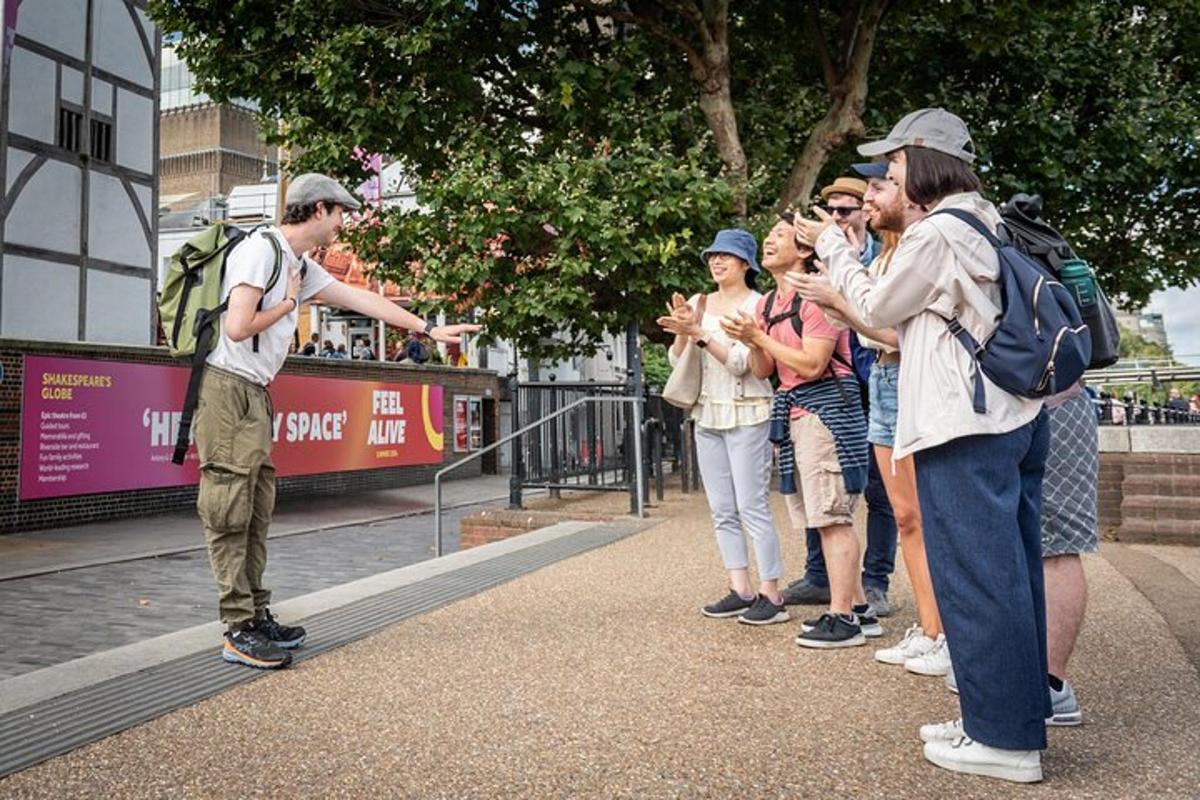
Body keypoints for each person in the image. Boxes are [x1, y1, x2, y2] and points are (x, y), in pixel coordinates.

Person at [794, 109, 1049, 783]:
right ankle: (1011, 717)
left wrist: (834, 249)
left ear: (926, 162)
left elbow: (877, 310)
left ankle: (1003, 739)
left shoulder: (939, 232)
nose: (889, 177)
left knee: (978, 577)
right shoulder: (984, 219)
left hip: (963, 424)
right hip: (1009, 416)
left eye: (896, 165)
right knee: (1011, 576)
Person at [195, 173, 479, 670]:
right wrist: (288, 302)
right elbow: (238, 327)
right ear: (320, 209)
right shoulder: (263, 250)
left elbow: (363, 299)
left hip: (256, 393)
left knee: (257, 509)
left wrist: (429, 328)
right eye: (341, 214)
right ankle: (237, 629)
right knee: (229, 509)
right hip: (228, 388)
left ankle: (257, 615)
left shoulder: (298, 264)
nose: (343, 224)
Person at [792, 164, 947, 675]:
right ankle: (930, 628)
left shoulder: (918, 248)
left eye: (877, 188)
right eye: (832, 210)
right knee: (906, 516)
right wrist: (837, 304)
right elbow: (869, 328)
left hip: (907, 378)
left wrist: (838, 302)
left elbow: (896, 333)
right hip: (881, 381)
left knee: (919, 515)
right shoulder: (879, 256)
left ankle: (940, 629)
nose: (848, 212)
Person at [721, 219, 878, 649]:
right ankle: (861, 610)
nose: (768, 242)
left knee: (832, 517)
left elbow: (812, 364)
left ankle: (842, 617)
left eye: (779, 236)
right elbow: (764, 370)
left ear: (805, 252)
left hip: (827, 412)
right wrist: (754, 341)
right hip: (796, 413)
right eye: (768, 236)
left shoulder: (818, 297)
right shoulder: (767, 303)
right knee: (821, 516)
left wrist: (759, 338)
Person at [658, 229, 787, 625]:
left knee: (753, 506)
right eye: (712, 256)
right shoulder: (699, 302)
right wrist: (684, 332)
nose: (716, 262)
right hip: (707, 412)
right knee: (721, 508)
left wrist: (699, 334)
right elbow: (676, 360)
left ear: (745, 263)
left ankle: (772, 593)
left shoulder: (759, 304)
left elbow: (743, 363)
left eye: (725, 256)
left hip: (749, 409)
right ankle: (740, 587)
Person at [783, 177, 898, 617]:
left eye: (846, 211)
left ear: (865, 213)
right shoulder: (819, 264)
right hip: (834, 392)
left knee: (880, 493)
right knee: (821, 487)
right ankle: (820, 577)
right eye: (830, 211)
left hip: (875, 387)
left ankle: (874, 582)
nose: (836, 218)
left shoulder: (879, 258)